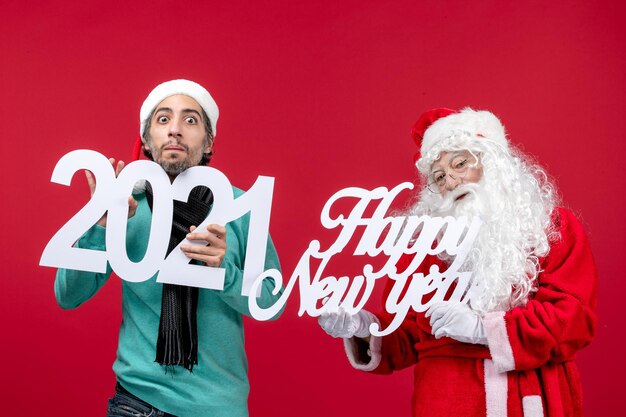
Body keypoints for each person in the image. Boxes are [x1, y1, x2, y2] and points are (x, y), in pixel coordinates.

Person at [318, 107, 598, 417]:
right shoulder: (424, 247)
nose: (450, 180)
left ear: (492, 162)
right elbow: (408, 336)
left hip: (529, 399)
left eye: (460, 164)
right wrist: (362, 327)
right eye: (439, 176)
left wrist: (484, 329)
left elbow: (573, 318)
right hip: (445, 402)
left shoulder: (551, 227)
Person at [54, 79, 283, 417]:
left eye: (190, 120)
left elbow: (272, 302)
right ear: (147, 139)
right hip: (137, 402)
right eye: (163, 119)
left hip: (218, 406)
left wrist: (223, 272)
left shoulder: (239, 207)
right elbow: (68, 295)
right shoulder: (126, 202)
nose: (175, 130)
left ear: (208, 142)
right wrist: (101, 225)